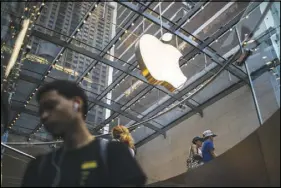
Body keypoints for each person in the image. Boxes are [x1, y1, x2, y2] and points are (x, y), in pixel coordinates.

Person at [21, 80, 146, 187]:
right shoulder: (39, 166)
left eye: (50, 106)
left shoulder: (113, 153)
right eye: (41, 110)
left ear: (76, 104)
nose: (44, 116)